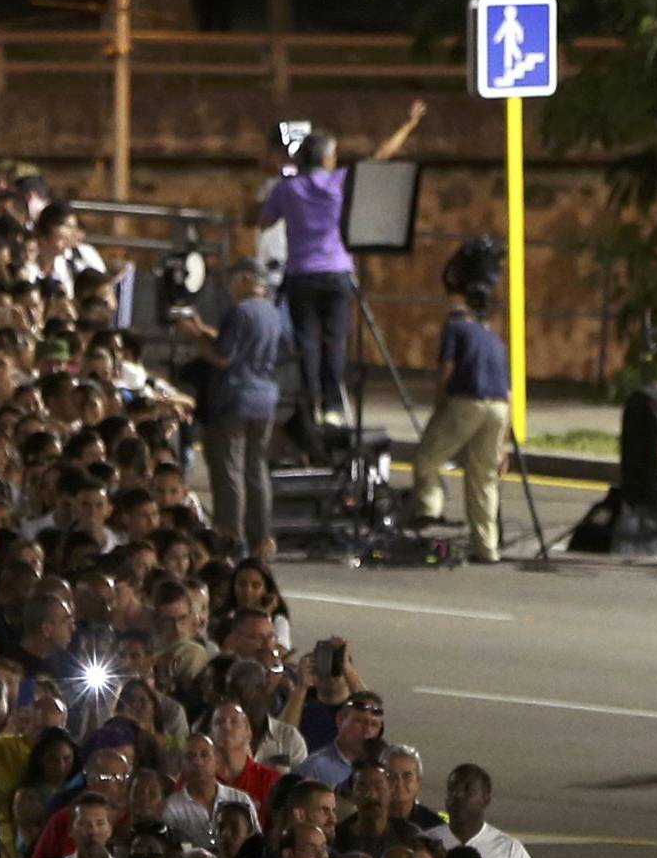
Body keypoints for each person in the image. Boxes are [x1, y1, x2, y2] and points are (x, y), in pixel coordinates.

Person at [258, 98, 426, 448]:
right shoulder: (340, 182)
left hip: (301, 274)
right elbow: (381, 156)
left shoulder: (288, 188)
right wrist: (407, 125)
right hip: (337, 272)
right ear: (328, 158)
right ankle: (334, 405)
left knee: (306, 342)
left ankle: (311, 402)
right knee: (335, 341)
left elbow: (262, 220)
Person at [183, 261, 288, 555]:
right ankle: (261, 536)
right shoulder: (272, 312)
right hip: (265, 398)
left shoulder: (240, 312)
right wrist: (204, 329)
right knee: (256, 467)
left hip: (235, 397)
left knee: (229, 466)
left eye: (232, 281)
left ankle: (230, 533)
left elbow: (223, 357)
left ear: (244, 279)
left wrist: (195, 339)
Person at [411, 278, 511, 564]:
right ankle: (487, 547)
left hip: (468, 400)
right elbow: (508, 392)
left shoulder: (454, 328)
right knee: (484, 479)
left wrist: (439, 406)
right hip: (499, 409)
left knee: (427, 458)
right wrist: (503, 444)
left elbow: (447, 369)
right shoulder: (495, 340)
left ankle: (429, 507)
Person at [424, 762, 548, 858]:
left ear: (486, 798)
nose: (457, 795)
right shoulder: (427, 843)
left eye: (466, 789)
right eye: (452, 789)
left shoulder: (508, 848)